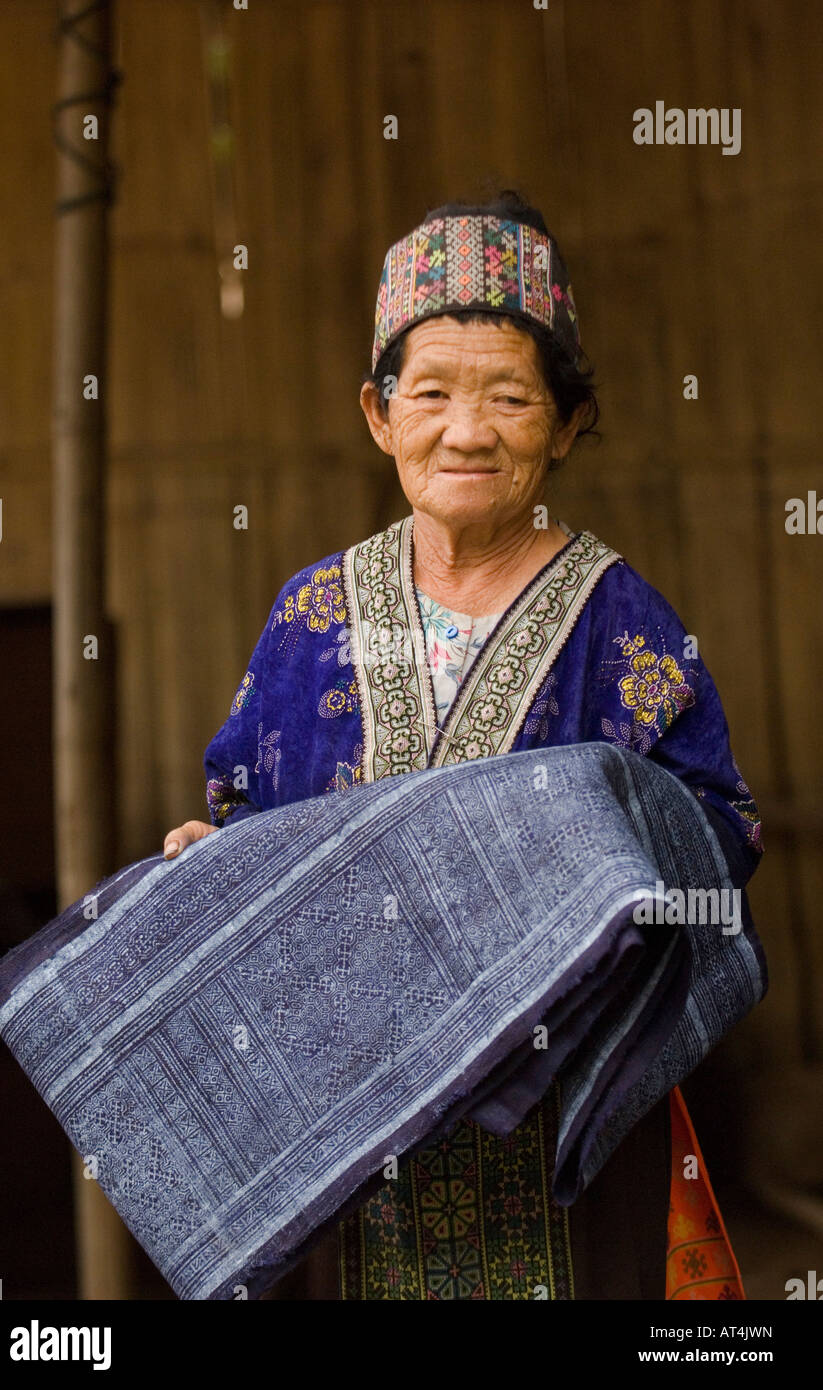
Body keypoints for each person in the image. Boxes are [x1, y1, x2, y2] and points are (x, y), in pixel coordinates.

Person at [163, 190, 762, 1300]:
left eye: (508, 397)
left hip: (565, 1125)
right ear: (377, 415)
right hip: (352, 1135)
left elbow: (718, 834)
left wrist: (585, 893)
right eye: (429, 392)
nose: (465, 430)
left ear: (568, 423)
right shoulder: (312, 616)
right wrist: (218, 860)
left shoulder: (621, 619)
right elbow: (249, 812)